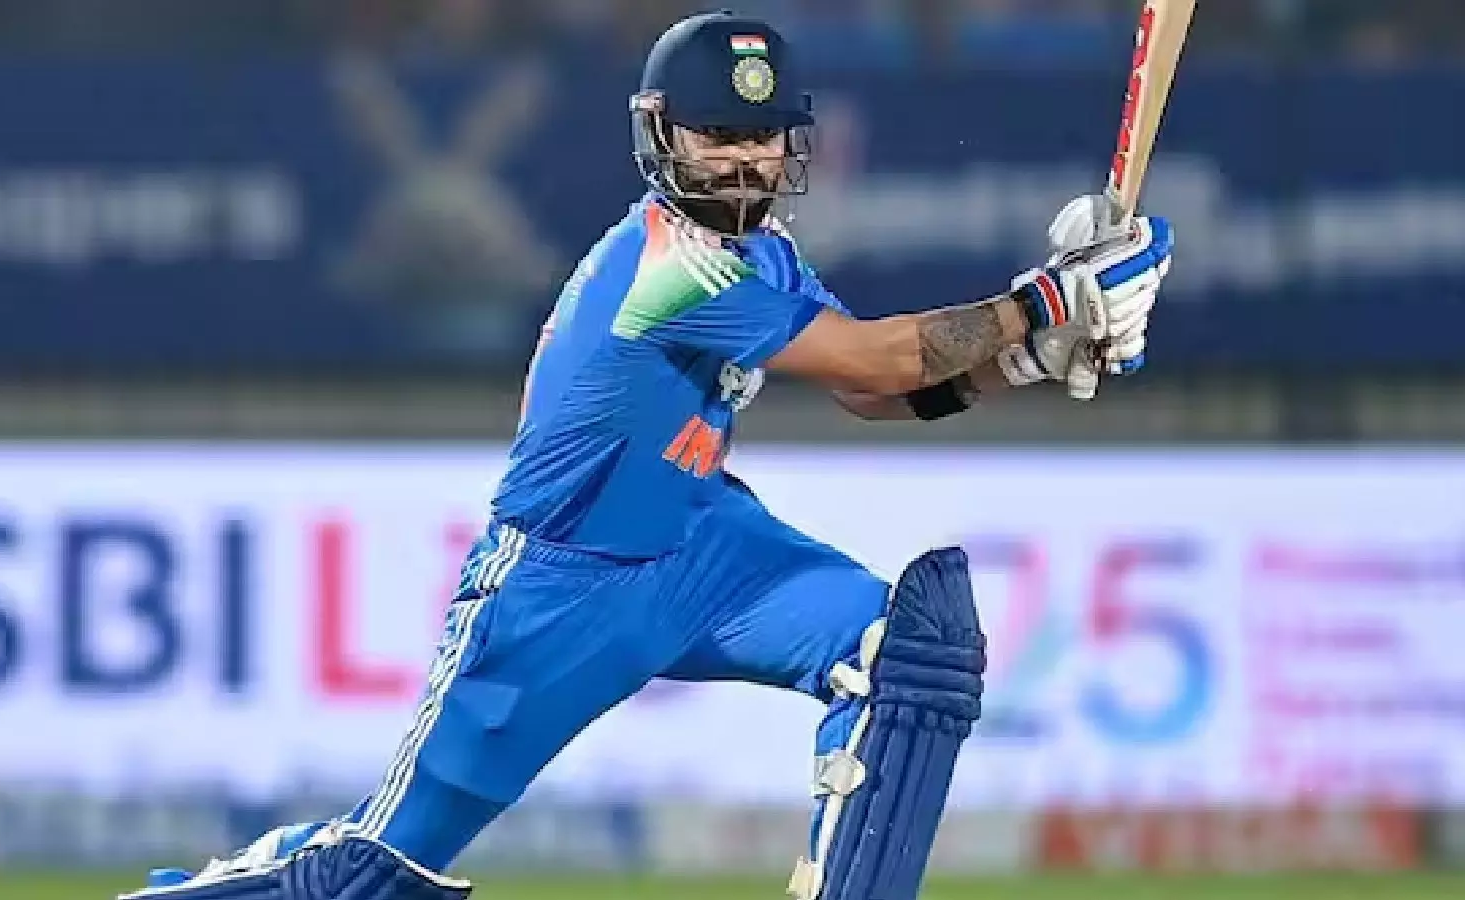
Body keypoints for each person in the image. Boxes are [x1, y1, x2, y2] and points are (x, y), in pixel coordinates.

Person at [118, 9, 1171, 900]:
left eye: (765, 136)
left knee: (912, 654)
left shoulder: (763, 256)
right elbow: (882, 357)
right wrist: (1049, 300)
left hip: (706, 550)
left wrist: (1031, 359)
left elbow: (871, 393)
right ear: (662, 135)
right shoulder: (670, 267)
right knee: (372, 877)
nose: (747, 159)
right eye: (720, 135)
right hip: (560, 584)